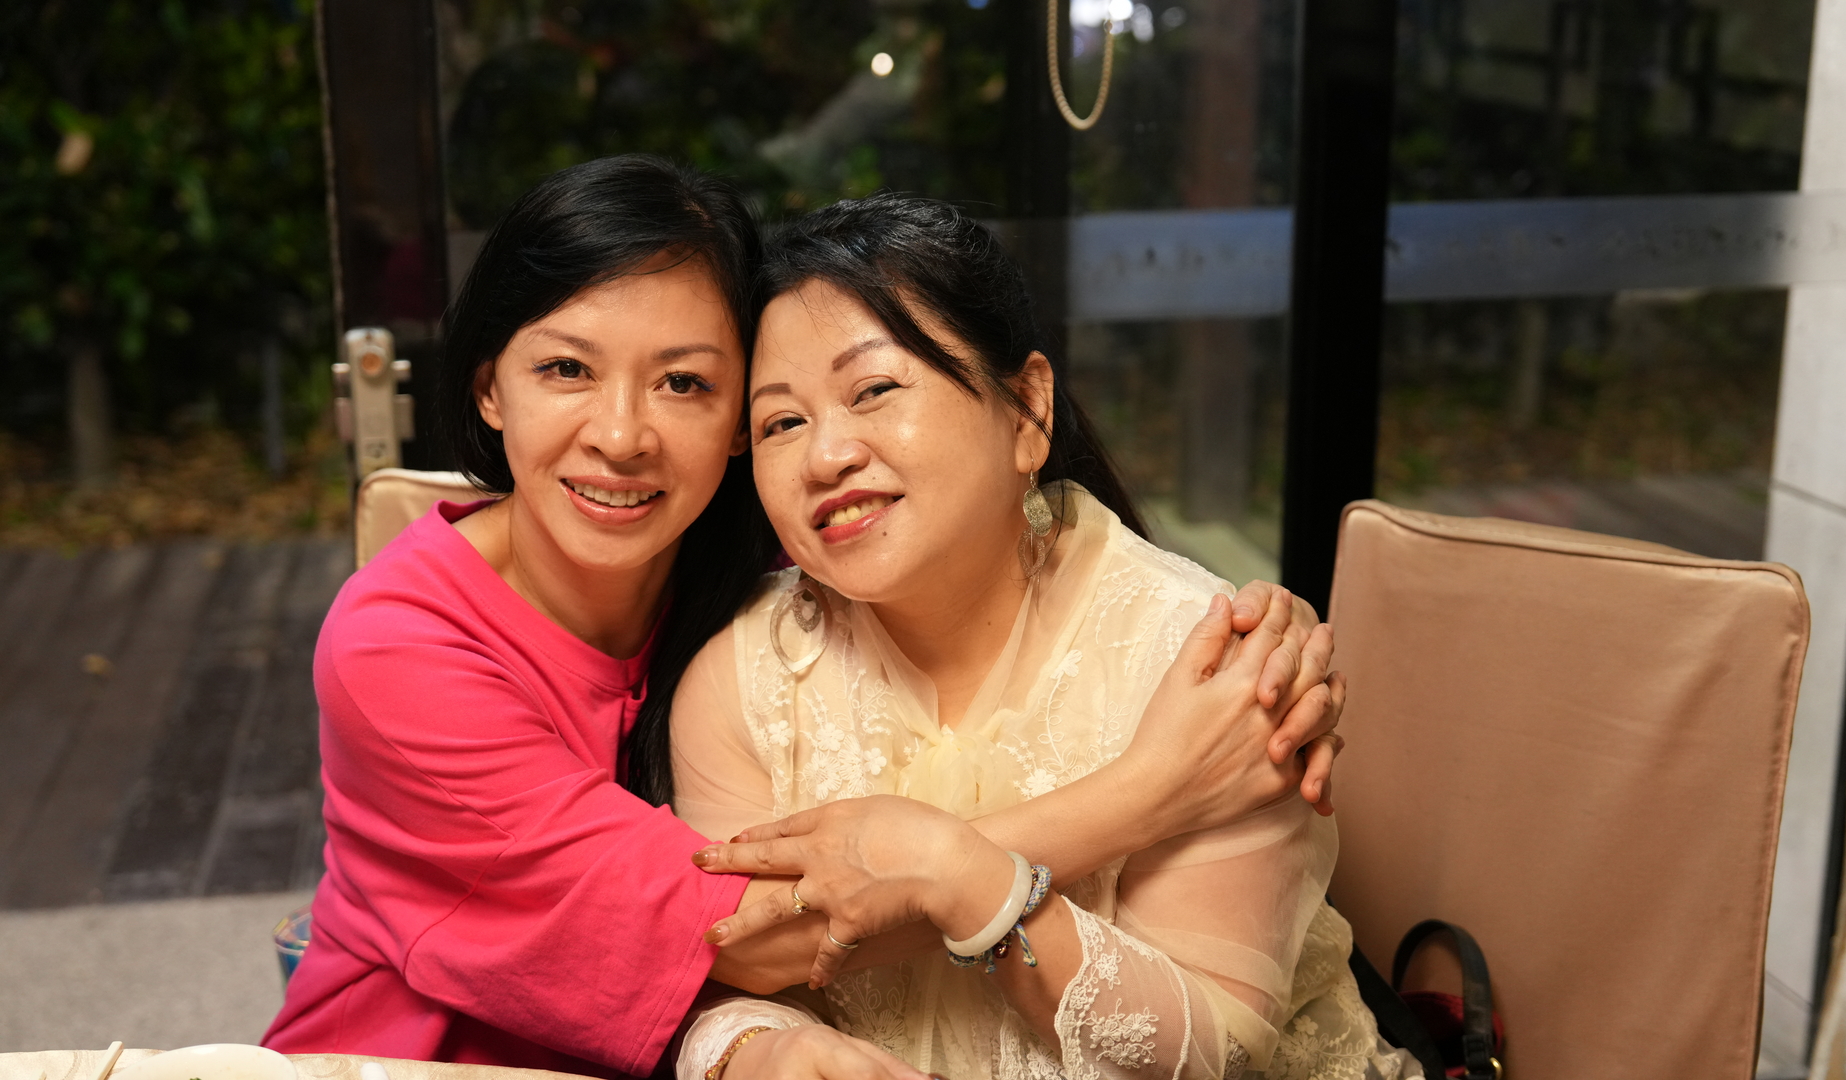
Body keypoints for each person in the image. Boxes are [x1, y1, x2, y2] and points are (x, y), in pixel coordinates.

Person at [262, 156, 1347, 1078]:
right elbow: (740, 935)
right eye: (564, 369)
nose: (623, 436)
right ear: (489, 389)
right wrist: (1157, 788)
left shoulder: (769, 554)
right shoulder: (396, 649)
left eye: (685, 384)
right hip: (432, 1062)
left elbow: (985, 540)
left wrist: (1270, 638)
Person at [673, 194, 1410, 1079]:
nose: (826, 456)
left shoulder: (1204, 656)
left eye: (874, 390)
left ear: (1026, 411)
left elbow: (1212, 1050)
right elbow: (733, 954)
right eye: (781, 423)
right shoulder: (742, 677)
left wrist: (968, 881)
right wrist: (755, 1046)